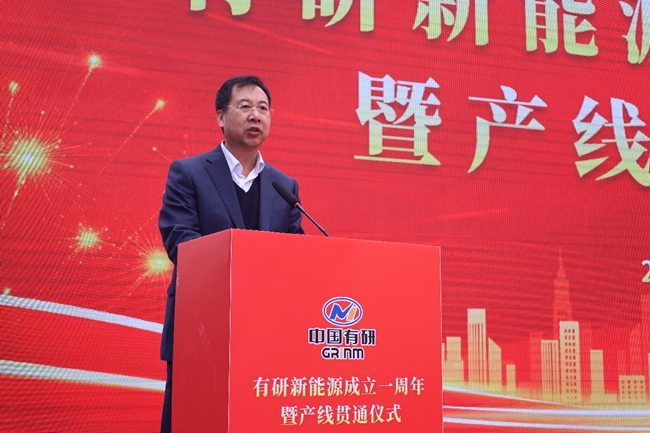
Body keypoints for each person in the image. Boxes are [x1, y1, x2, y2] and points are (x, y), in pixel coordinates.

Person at [157, 75, 304, 433]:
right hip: (202, 327)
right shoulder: (189, 172)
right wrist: (243, 268)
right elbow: (180, 240)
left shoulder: (283, 186)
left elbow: (296, 251)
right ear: (221, 117)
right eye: (245, 106)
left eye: (263, 108)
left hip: (265, 330)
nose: (256, 115)